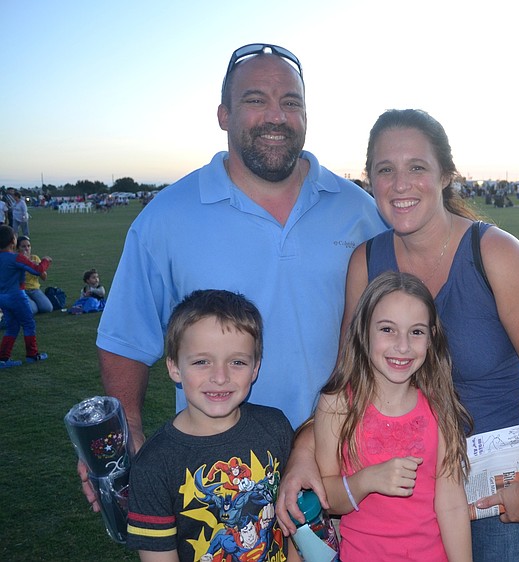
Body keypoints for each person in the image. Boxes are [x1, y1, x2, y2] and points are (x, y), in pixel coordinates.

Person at [85, 44, 386, 516]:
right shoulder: (166, 218)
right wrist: (134, 430)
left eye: (291, 102)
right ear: (224, 114)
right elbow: (125, 338)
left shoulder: (358, 210)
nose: (276, 116)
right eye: (255, 100)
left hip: (345, 463)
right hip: (219, 477)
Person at [318, 109, 519, 561]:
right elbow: (347, 376)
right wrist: (308, 449)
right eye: (385, 170)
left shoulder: (494, 253)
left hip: (497, 477)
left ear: (446, 175)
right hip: (403, 478)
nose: (400, 184)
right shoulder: (366, 262)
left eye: (417, 167)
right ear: (369, 179)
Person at [126, 289, 301, 562]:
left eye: (237, 362)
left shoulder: (275, 426)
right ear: (174, 367)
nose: (220, 377)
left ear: (255, 369)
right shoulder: (153, 464)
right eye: (201, 362)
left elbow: (292, 527)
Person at [314, 271, 473, 561]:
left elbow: (451, 504)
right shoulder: (337, 404)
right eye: (387, 329)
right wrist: (367, 480)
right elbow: (327, 496)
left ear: (431, 338)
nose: (403, 346)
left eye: (416, 332)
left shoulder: (439, 406)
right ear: (364, 330)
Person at [0, 225, 51, 364]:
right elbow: (37, 270)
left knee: (12, 326)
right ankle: (32, 355)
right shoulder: (16, 258)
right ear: (12, 241)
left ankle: (3, 359)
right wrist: (46, 260)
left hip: (2, 298)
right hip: (16, 296)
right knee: (29, 324)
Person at [16, 236, 54, 314]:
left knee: (47, 308)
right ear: (18, 249)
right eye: (23, 246)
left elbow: (44, 278)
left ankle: (31, 302)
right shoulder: (16, 259)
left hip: (34, 289)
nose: (27, 248)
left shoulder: (35, 258)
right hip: (22, 290)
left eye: (28, 246)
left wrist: (39, 269)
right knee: (33, 310)